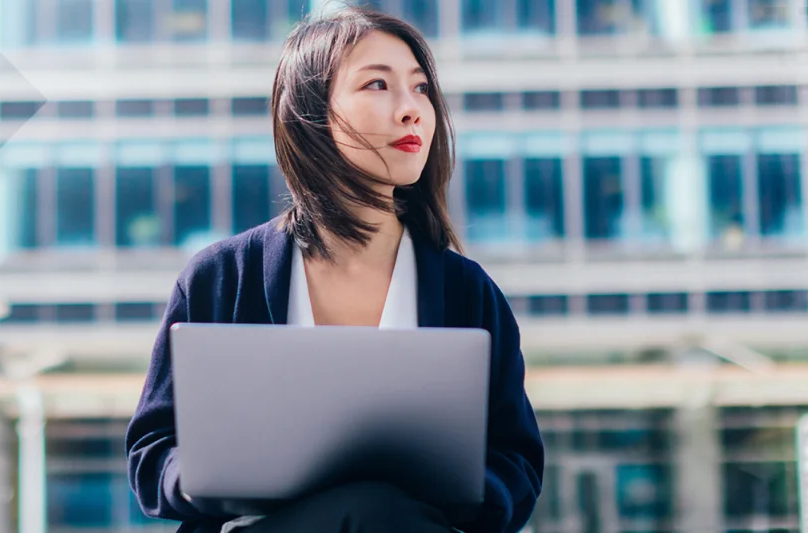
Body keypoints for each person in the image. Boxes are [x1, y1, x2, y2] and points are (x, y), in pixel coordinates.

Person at [125, 5, 544, 533]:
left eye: (420, 88)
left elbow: (518, 462)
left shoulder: (468, 292)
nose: (411, 110)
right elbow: (152, 452)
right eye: (377, 85)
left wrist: (462, 488)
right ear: (311, 111)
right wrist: (204, 474)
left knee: (378, 511)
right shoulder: (221, 277)